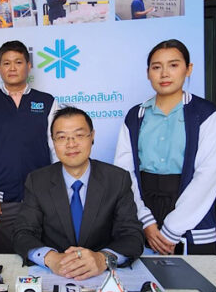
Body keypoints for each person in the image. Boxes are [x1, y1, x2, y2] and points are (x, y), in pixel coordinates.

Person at [114, 39, 216, 255]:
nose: (164, 74)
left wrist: (171, 230)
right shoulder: (135, 116)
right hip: (143, 207)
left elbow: (208, 175)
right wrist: (145, 221)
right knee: (140, 273)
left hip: (192, 210)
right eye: (156, 67)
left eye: (173, 65)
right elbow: (124, 172)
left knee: (192, 276)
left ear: (188, 69)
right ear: (148, 73)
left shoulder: (206, 114)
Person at [13, 107, 144, 280]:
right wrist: (51, 258)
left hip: (102, 278)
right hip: (55, 276)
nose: (71, 144)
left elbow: (132, 236)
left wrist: (103, 259)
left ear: (92, 136)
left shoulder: (117, 179)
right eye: (62, 137)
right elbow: (23, 233)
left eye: (79, 135)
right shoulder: (37, 181)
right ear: (53, 141)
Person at [0, 40, 57, 253]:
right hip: (2, 203)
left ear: (29, 66)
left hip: (43, 199)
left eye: (18, 62)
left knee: (43, 256)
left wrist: (58, 192)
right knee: (9, 259)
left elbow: (57, 149)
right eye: (6, 63)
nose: (12, 68)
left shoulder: (47, 102)